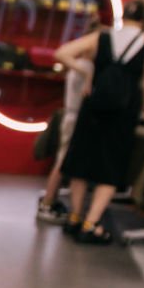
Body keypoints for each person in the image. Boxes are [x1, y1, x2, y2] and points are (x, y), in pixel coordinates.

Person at [54, 0, 144, 244]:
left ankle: (74, 217)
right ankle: (91, 223)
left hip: (93, 106)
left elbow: (62, 53)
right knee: (111, 167)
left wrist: (86, 71)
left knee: (81, 161)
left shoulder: (102, 37)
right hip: (124, 112)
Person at [35, 18, 97, 224]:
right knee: (63, 161)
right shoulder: (86, 68)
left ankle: (49, 200)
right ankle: (48, 201)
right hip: (75, 117)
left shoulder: (79, 66)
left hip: (71, 115)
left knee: (62, 159)